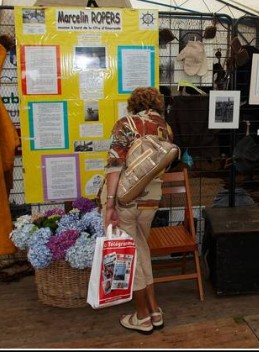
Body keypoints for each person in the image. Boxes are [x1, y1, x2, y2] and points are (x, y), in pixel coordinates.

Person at [100, 87, 173, 335]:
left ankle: (141, 317)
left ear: (134, 104)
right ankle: (154, 311)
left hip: (125, 200)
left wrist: (110, 204)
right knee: (141, 251)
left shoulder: (126, 124)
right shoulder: (165, 128)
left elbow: (114, 165)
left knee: (127, 257)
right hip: (151, 201)